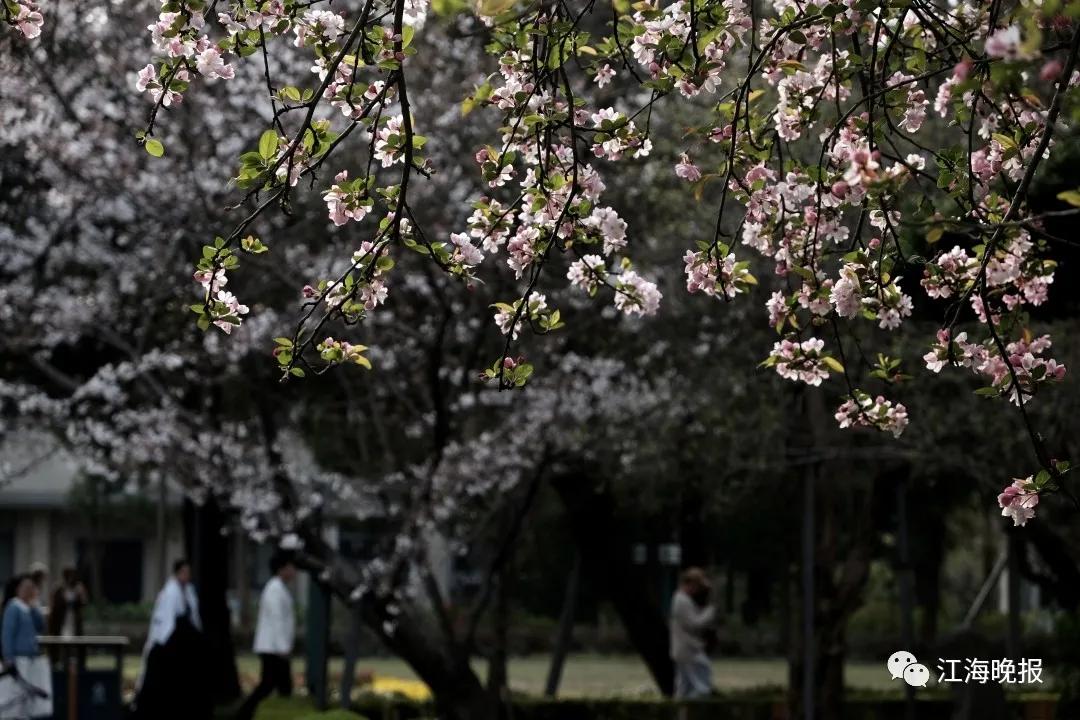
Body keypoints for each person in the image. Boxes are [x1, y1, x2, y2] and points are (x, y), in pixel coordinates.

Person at [132, 560, 212, 720]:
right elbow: (166, 623)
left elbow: (193, 619)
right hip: (169, 646)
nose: (187, 576)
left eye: (188, 573)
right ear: (177, 573)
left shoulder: (188, 591)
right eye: (184, 572)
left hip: (184, 644)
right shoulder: (169, 593)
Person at [235, 553, 296, 720]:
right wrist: (283, 647)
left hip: (274, 647)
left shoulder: (278, 588)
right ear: (281, 569)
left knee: (276, 686)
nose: (293, 571)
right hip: (273, 649)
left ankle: (245, 714)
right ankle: (243, 715)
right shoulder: (274, 589)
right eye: (290, 567)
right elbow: (277, 620)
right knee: (272, 686)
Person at [0, 575, 52, 719]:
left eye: (32, 588)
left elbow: (41, 626)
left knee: (28, 694)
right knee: (16, 693)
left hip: (31, 657)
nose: (30, 591)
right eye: (26, 588)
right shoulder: (13, 607)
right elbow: (7, 634)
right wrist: (8, 657)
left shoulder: (29, 608)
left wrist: (35, 606)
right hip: (18, 657)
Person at [669, 567, 716, 700]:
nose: (699, 590)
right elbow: (695, 624)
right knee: (702, 687)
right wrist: (710, 611)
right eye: (698, 586)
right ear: (691, 584)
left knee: (683, 689)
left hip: (684, 650)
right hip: (689, 650)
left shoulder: (681, 599)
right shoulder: (682, 600)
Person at [48, 568, 87, 639]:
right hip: (61, 618)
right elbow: (54, 605)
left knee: (75, 637)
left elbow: (83, 603)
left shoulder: (78, 588)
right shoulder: (58, 588)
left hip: (74, 618)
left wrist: (80, 594)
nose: (70, 578)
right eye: (68, 575)